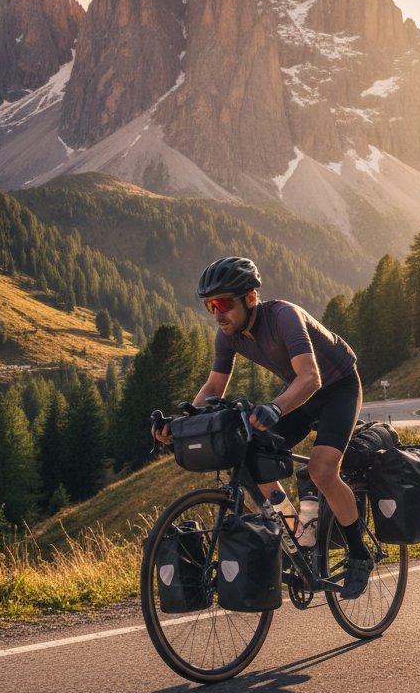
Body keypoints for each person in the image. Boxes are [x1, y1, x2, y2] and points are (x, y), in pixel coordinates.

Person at [153, 256, 372, 599]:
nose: (216, 313)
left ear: (250, 298)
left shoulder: (284, 316)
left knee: (321, 470)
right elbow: (213, 389)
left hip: (338, 388)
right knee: (253, 464)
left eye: (223, 303)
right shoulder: (228, 336)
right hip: (300, 392)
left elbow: (312, 376)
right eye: (210, 305)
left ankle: (360, 553)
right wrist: (180, 423)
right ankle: (295, 533)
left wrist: (274, 406)